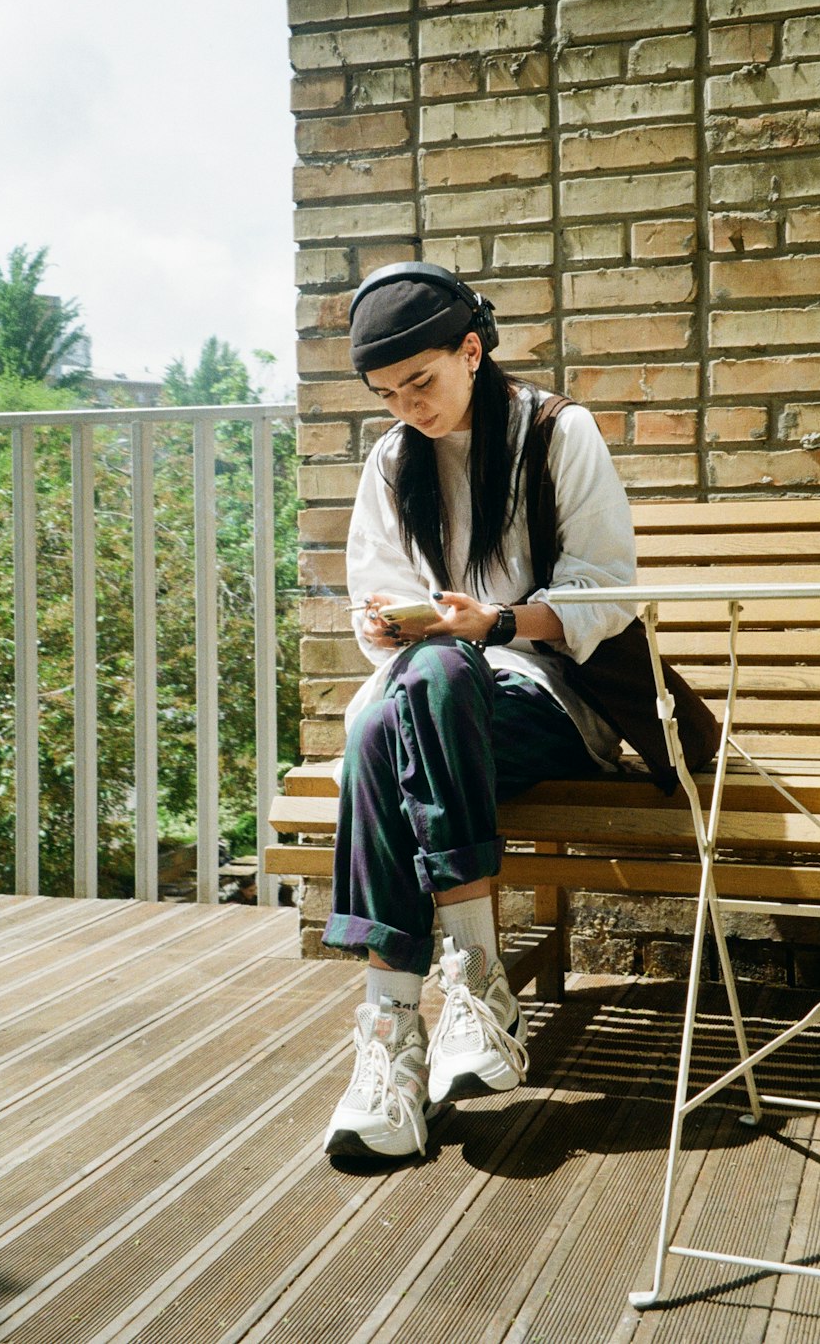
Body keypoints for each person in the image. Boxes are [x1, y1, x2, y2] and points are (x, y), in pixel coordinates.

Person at [322, 262, 638, 1162]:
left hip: (550, 703)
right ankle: (425, 1018)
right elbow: (374, 605)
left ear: (472, 349)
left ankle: (429, 1008)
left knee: (425, 688)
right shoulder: (393, 461)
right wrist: (396, 622)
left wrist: (496, 621)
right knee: (404, 700)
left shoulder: (554, 432)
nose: (408, 408)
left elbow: (608, 593)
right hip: (438, 708)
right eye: (388, 394)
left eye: (421, 382)